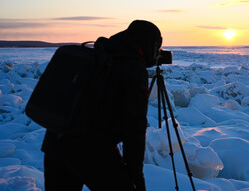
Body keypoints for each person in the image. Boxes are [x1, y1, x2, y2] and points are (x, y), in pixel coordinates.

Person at [41, 20, 162, 191]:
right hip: (92, 150)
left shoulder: (97, 55)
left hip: (56, 141)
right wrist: (135, 176)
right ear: (150, 43)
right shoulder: (132, 69)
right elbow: (134, 127)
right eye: (157, 47)